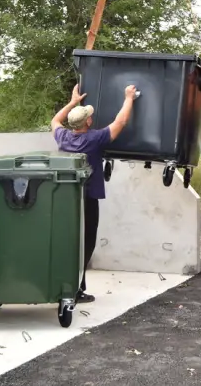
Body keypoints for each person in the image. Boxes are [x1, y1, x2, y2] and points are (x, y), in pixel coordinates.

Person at [51, 82, 137, 303]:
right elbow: (121, 121)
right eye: (89, 116)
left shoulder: (64, 138)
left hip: (65, 200)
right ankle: (77, 289)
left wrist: (72, 102)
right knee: (87, 242)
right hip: (87, 199)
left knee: (69, 242)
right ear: (88, 121)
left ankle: (68, 286)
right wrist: (128, 97)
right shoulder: (94, 139)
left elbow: (54, 121)